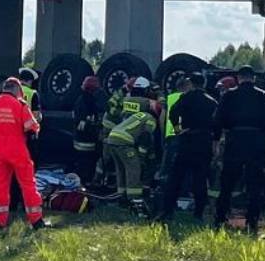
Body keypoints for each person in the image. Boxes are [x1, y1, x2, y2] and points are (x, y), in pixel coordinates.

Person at [213, 65, 265, 230]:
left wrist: (216, 141)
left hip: (234, 140)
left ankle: (220, 218)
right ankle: (252, 220)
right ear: (253, 78)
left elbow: (218, 120)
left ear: (238, 78)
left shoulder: (229, 95)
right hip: (256, 142)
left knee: (227, 182)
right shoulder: (263, 96)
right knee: (254, 183)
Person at [0, 77, 46, 229]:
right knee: (28, 185)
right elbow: (32, 127)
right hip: (18, 150)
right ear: (17, 90)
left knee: (0, 186)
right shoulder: (20, 104)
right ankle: (36, 220)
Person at [159, 72, 217, 222]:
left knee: (176, 177)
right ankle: (198, 213)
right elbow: (217, 123)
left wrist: (178, 129)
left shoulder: (186, 98)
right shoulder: (211, 102)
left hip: (186, 140)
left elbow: (172, 112)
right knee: (200, 179)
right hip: (204, 141)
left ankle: (168, 211)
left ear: (191, 83)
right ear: (203, 84)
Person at [103, 76, 158, 205]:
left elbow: (112, 107)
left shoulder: (126, 100)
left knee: (121, 170)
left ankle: (121, 197)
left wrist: (123, 89)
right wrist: (142, 155)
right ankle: (135, 201)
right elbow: (145, 137)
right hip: (128, 140)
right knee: (134, 169)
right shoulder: (148, 111)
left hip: (114, 137)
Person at [71, 75, 105, 185]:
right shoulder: (87, 101)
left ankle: (84, 182)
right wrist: (96, 128)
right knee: (86, 164)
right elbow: (84, 123)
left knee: (83, 163)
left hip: (81, 139)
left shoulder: (81, 99)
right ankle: (85, 183)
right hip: (86, 140)